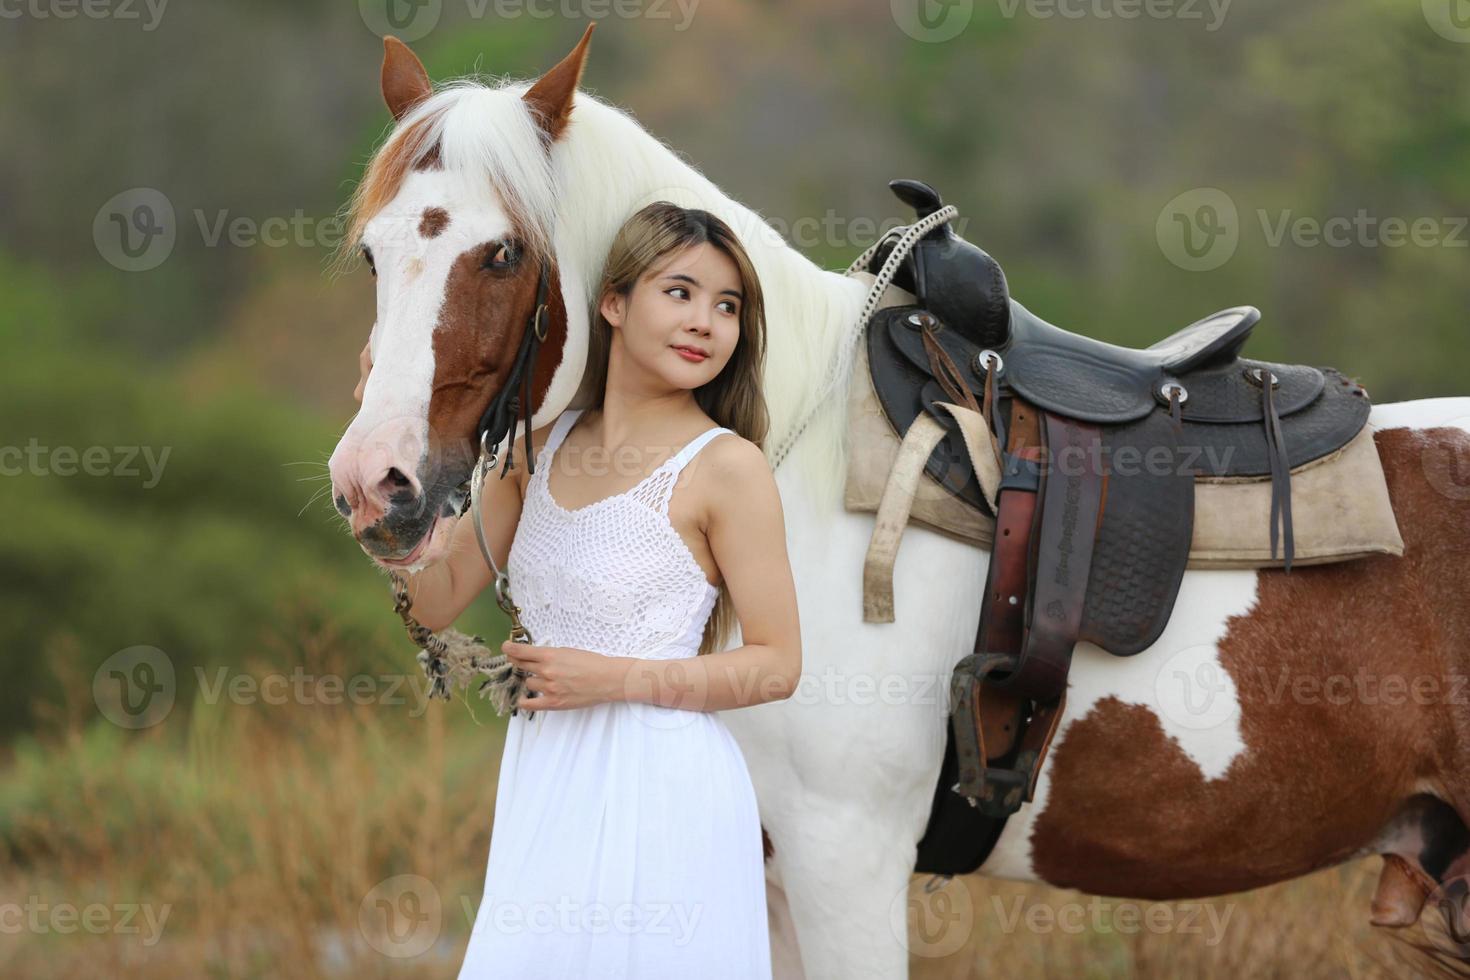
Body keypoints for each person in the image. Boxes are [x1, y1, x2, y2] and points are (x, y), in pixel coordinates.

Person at [370, 202, 799, 978]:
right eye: (681, 292)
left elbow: (776, 664)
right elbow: (435, 601)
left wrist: (614, 679)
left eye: (727, 306)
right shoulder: (537, 447)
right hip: (547, 779)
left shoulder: (728, 469)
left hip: (666, 788)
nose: (706, 321)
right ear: (613, 302)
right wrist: (380, 472)